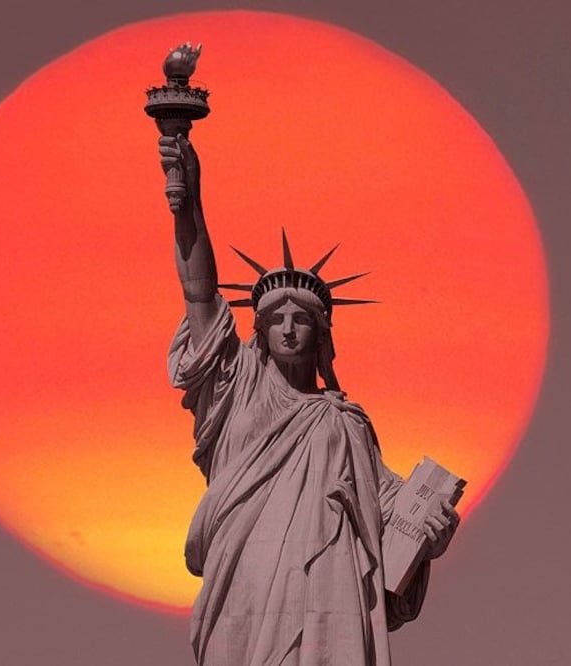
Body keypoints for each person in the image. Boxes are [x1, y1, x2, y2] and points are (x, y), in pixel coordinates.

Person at [159, 131, 459, 666]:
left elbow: (386, 520)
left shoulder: (344, 423)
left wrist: (430, 531)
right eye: (277, 319)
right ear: (262, 331)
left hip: (330, 589)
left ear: (322, 336)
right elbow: (200, 293)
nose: (290, 329)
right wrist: (191, 202)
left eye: (303, 320)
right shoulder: (237, 389)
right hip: (246, 576)